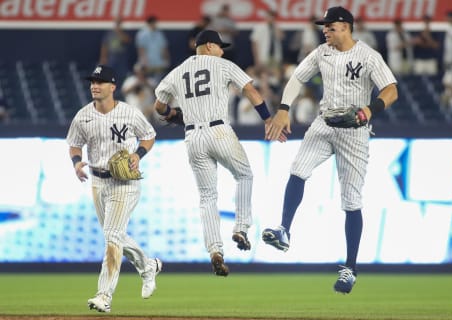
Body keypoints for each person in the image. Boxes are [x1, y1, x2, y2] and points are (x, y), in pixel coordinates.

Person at [263, 7, 398, 294]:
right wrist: (284, 109)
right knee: (298, 170)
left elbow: (391, 90)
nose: (325, 30)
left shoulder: (368, 56)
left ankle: (350, 268)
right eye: (324, 26)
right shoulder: (321, 52)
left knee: (351, 200)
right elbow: (297, 78)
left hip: (354, 129)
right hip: (324, 123)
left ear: (346, 27)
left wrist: (369, 110)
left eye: (330, 26)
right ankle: (284, 229)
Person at [153, 30, 285, 276]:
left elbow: (159, 105)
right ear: (210, 46)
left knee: (206, 197)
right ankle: (242, 228)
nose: (223, 50)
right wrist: (268, 119)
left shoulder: (178, 71)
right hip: (219, 130)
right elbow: (252, 93)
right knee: (244, 175)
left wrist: (171, 114)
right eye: (220, 46)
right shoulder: (223, 64)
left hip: (192, 136)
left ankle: (215, 250)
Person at [66, 65, 161, 313]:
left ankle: (104, 295)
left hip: (125, 183)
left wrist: (138, 155)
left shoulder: (130, 113)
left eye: (100, 81)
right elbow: (74, 144)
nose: (94, 85)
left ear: (113, 87)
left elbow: (149, 135)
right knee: (114, 236)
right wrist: (77, 164)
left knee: (111, 236)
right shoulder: (83, 116)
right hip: (98, 182)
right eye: (92, 81)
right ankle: (148, 265)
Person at [250, 9, 284, 81]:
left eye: (273, 17)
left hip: (275, 56)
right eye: (270, 16)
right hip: (263, 56)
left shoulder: (276, 27)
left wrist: (275, 26)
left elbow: (281, 37)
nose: (271, 18)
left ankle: (277, 91)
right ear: (266, 16)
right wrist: (257, 59)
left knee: (277, 74)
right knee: (264, 75)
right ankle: (265, 91)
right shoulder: (259, 27)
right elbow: (254, 43)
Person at [99, 17, 133, 88]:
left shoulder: (124, 32)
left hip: (122, 58)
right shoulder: (109, 33)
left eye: (119, 23)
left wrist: (119, 32)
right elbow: (105, 46)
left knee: (122, 77)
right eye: (117, 23)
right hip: (112, 58)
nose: (118, 24)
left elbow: (128, 40)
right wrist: (103, 59)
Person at [135, 15, 170, 83]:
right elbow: (141, 50)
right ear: (149, 23)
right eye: (154, 23)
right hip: (147, 66)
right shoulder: (142, 34)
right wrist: (144, 63)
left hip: (159, 65)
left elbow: (164, 48)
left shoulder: (159, 34)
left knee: (158, 84)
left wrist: (166, 60)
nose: (155, 25)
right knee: (148, 84)